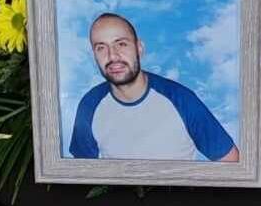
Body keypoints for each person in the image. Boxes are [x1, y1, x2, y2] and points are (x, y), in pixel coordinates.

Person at [69, 13, 239, 161]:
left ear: (139, 48)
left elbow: (230, 161)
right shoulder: (89, 105)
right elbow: (81, 173)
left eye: (121, 44)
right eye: (101, 48)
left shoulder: (181, 99)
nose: (112, 55)